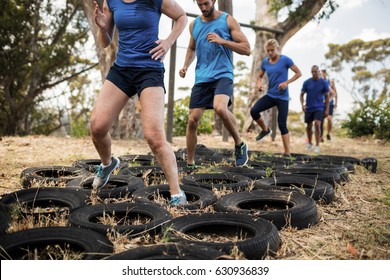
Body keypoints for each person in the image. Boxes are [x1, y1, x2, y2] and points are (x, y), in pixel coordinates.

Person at [90, 0, 188, 206]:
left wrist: (168, 42)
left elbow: (182, 17)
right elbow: (105, 42)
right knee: (97, 127)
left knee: (154, 136)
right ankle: (107, 164)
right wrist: (102, 27)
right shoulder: (112, 1)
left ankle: (177, 194)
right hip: (122, 69)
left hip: (149, 70)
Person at [179, 0, 251, 167]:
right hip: (202, 77)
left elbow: (246, 49)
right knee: (192, 120)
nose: (203, 8)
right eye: (200, 5)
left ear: (213, 1)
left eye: (206, 4)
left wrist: (223, 41)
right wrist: (185, 66)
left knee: (220, 108)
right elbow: (191, 48)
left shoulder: (227, 20)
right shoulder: (194, 25)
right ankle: (190, 163)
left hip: (222, 74)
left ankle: (239, 144)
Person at [250, 39, 302, 156]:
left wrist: (286, 83)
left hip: (283, 98)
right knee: (254, 111)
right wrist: (259, 85)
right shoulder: (265, 62)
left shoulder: (285, 60)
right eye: (268, 51)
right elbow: (259, 76)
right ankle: (265, 130)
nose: (270, 53)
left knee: (282, 124)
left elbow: (298, 73)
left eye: (272, 50)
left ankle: (287, 152)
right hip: (270, 95)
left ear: (277, 48)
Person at [300, 65, 330, 154]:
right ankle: (309, 143)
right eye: (312, 72)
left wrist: (327, 109)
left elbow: (327, 97)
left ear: (318, 72)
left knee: (317, 124)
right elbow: (301, 94)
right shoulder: (307, 82)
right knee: (308, 126)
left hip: (319, 107)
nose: (313, 73)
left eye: (315, 72)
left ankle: (317, 145)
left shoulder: (323, 83)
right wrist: (302, 105)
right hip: (309, 108)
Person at [320, 69, 337, 141]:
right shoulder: (319, 82)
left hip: (330, 104)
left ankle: (328, 133)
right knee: (321, 120)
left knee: (329, 118)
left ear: (325, 74)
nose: (321, 75)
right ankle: (321, 137)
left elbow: (335, 93)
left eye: (322, 74)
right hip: (321, 103)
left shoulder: (330, 82)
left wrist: (335, 102)